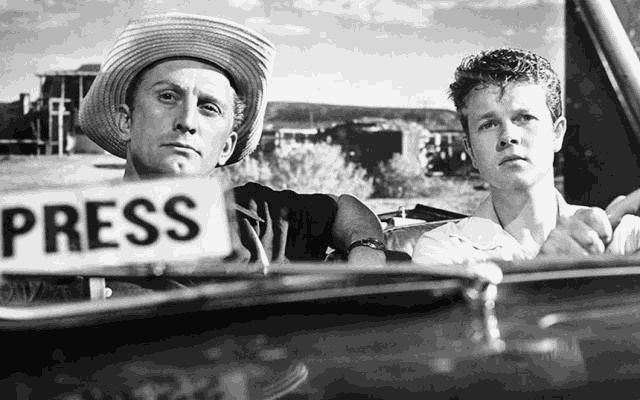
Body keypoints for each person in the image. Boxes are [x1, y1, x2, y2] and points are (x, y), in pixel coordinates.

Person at [1, 12, 387, 304]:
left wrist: (367, 249)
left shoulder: (259, 217)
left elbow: (344, 209)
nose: (187, 121)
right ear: (125, 121)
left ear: (227, 146)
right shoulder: (66, 231)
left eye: (208, 107)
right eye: (168, 97)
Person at [413, 48, 640, 267]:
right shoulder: (442, 250)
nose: (508, 136)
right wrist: (545, 271)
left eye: (525, 117)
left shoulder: (626, 235)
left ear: (557, 134)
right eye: (489, 124)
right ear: (470, 150)